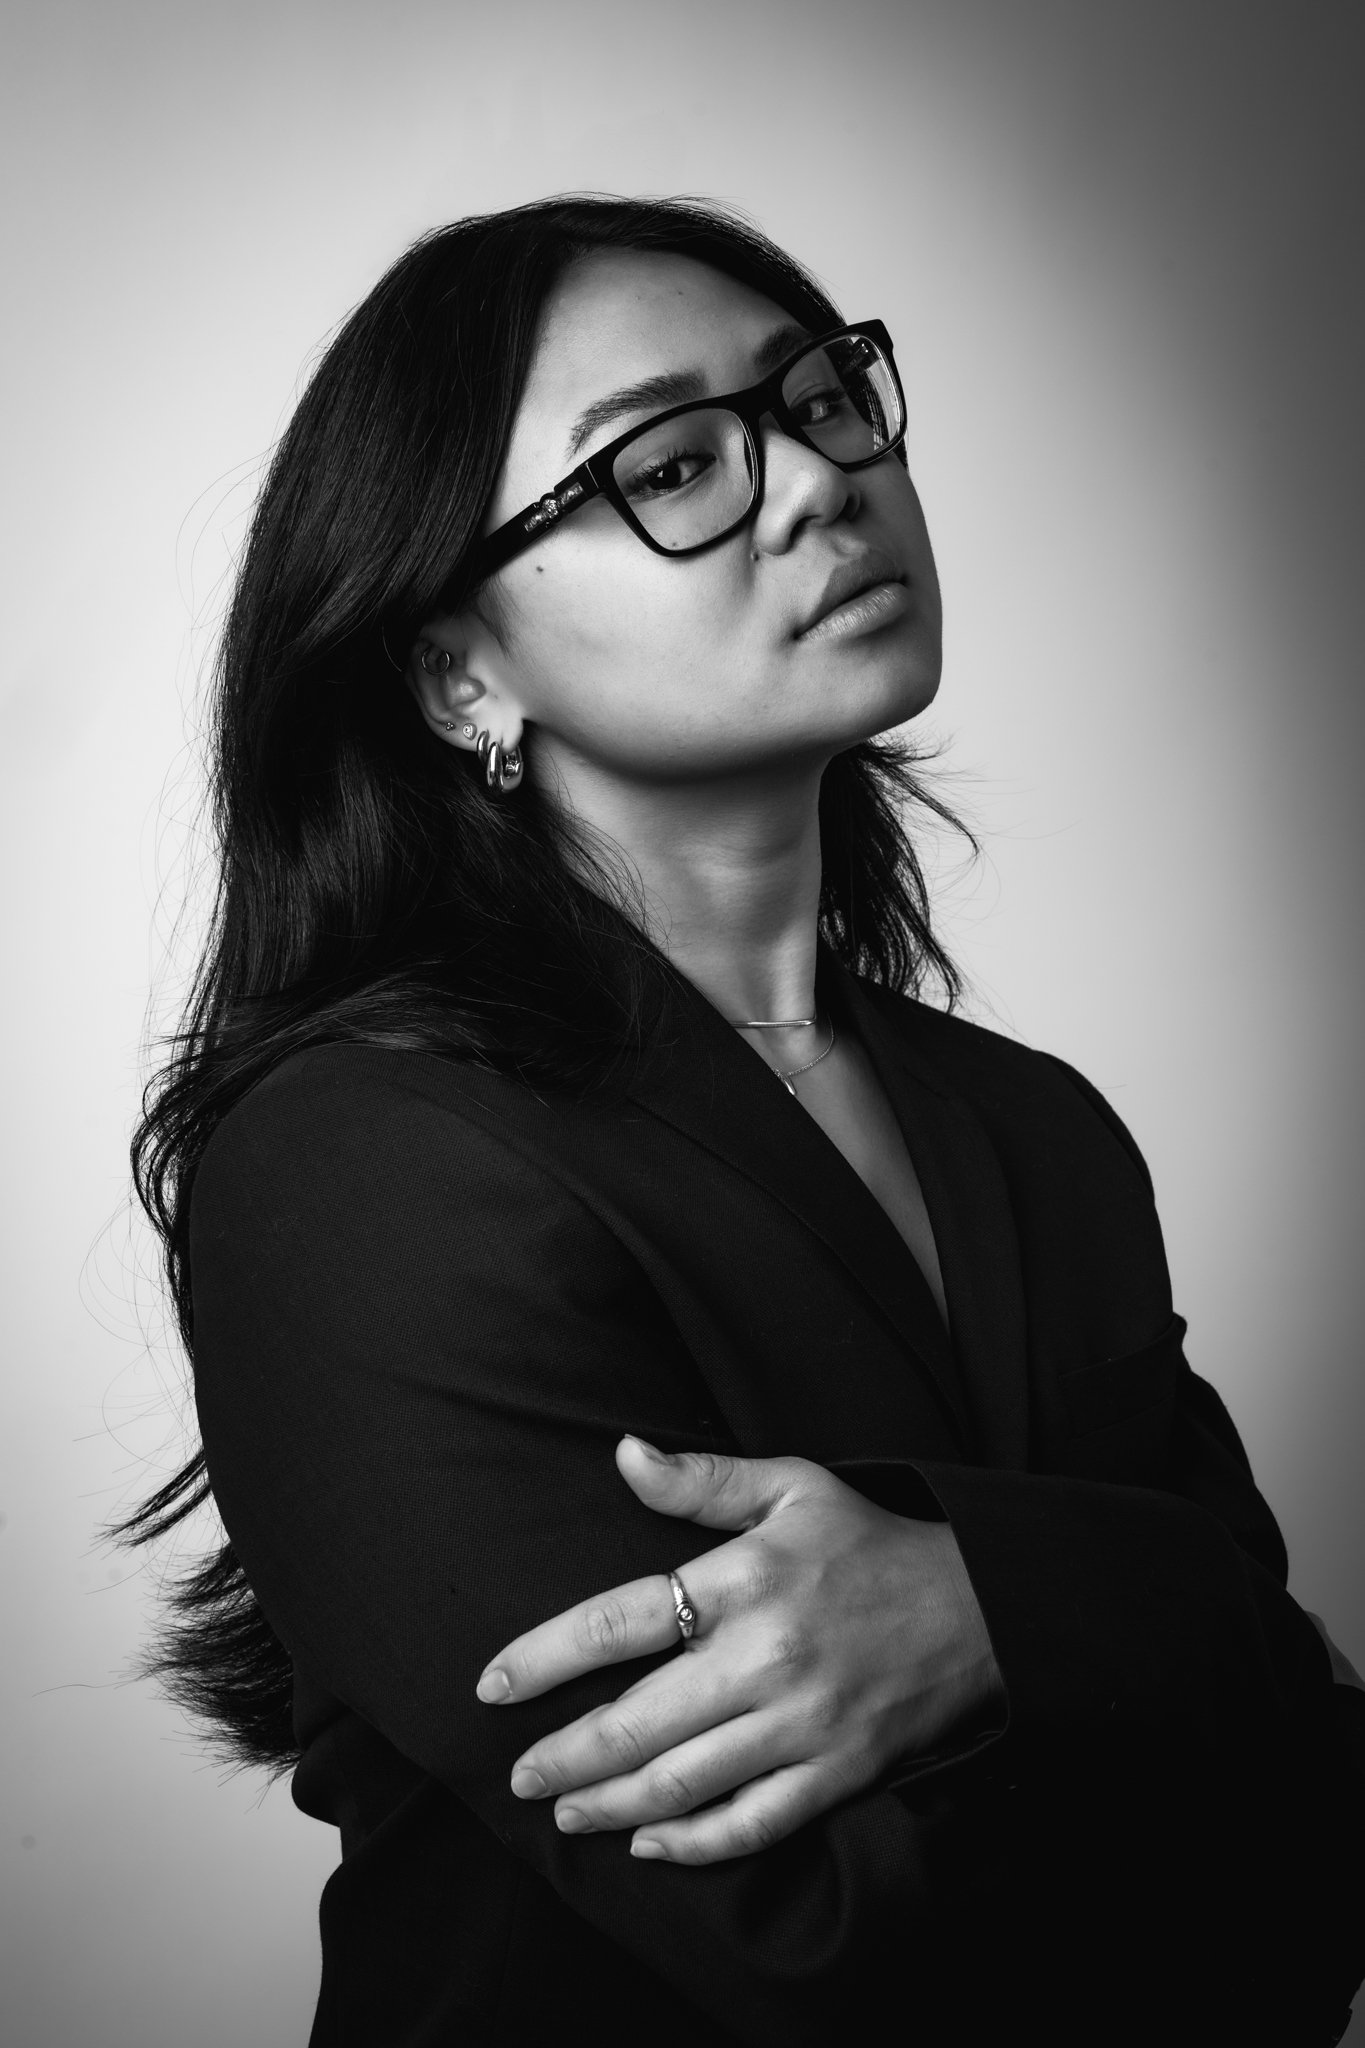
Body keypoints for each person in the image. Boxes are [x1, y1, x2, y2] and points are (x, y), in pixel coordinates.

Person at [120, 195, 1365, 2046]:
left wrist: (981, 1610)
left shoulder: (1040, 1136)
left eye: (818, 397)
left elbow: (1318, 1875)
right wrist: (1135, 1636)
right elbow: (828, 1948)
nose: (809, 483)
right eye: (671, 462)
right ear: (462, 675)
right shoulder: (357, 1166)